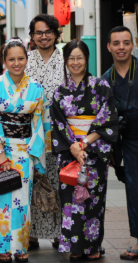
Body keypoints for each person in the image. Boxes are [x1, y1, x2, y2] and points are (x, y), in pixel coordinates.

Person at [0, 38, 46, 263]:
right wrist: (0, 152)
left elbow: (39, 123)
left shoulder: (35, 87)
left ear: (27, 59)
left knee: (22, 200)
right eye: (11, 59)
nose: (17, 63)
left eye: (21, 58)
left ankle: (20, 246)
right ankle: (2, 248)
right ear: (4, 60)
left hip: (24, 150)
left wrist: (34, 153)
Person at [52, 40, 118, 260]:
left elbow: (107, 119)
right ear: (65, 61)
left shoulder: (101, 86)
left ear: (87, 59)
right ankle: (76, 247)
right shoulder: (60, 92)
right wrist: (73, 146)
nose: (75, 62)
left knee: (94, 200)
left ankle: (93, 246)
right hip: (70, 154)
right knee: (71, 201)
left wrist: (84, 144)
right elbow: (58, 123)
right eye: (71, 58)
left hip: (93, 151)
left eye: (80, 57)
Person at [24, 14, 64, 249]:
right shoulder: (25, 60)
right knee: (33, 180)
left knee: (58, 180)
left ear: (56, 34)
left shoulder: (66, 59)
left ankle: (59, 232)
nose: (44, 36)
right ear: (32, 36)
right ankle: (32, 233)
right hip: (30, 132)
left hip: (60, 131)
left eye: (48, 31)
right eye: (38, 32)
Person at [100, 26, 138, 260]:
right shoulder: (106, 80)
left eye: (126, 42)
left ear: (133, 45)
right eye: (116, 43)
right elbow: (104, 118)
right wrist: (113, 153)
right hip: (127, 140)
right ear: (109, 47)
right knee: (134, 191)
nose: (121, 47)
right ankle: (136, 239)